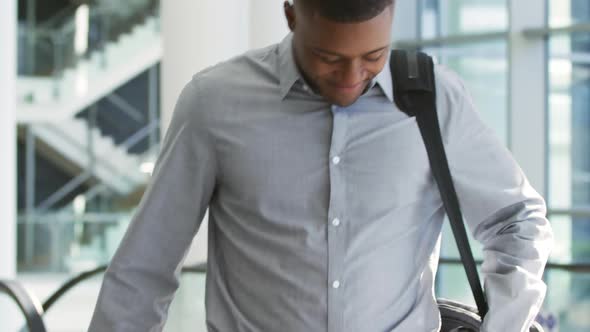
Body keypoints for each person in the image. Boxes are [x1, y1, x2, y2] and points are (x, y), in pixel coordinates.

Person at [88, 0, 554, 331]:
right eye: (329, 58)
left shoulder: (434, 100)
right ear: (291, 14)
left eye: (372, 57)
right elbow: (144, 268)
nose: (351, 77)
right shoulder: (214, 104)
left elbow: (518, 221)